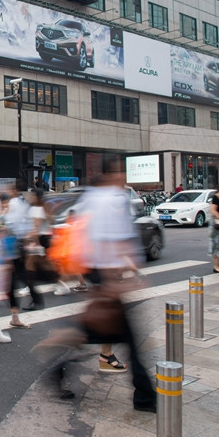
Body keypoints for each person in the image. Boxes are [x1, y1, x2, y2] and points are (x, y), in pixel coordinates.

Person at [75, 160, 156, 412]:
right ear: (112, 174)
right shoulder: (113, 199)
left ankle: (66, 363)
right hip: (105, 274)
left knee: (105, 330)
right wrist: (119, 278)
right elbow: (115, 239)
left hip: (96, 271)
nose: (124, 177)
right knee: (125, 335)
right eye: (121, 172)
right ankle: (144, 396)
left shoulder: (92, 197)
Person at [3, 181, 33, 328]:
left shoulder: (16, 207)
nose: (6, 206)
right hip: (2, 257)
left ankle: (15, 317)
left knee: (11, 286)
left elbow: (22, 228)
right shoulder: (6, 213)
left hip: (10, 254)